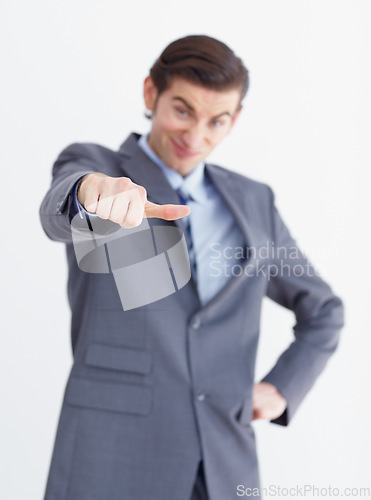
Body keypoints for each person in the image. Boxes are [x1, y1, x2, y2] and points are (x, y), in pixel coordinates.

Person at [39, 34, 344, 500]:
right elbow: (62, 208)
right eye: (183, 110)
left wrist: (282, 388)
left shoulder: (254, 201)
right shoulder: (98, 167)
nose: (196, 136)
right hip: (113, 453)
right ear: (150, 94)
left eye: (216, 120)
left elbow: (324, 310)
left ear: (234, 120)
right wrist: (92, 193)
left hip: (224, 459)